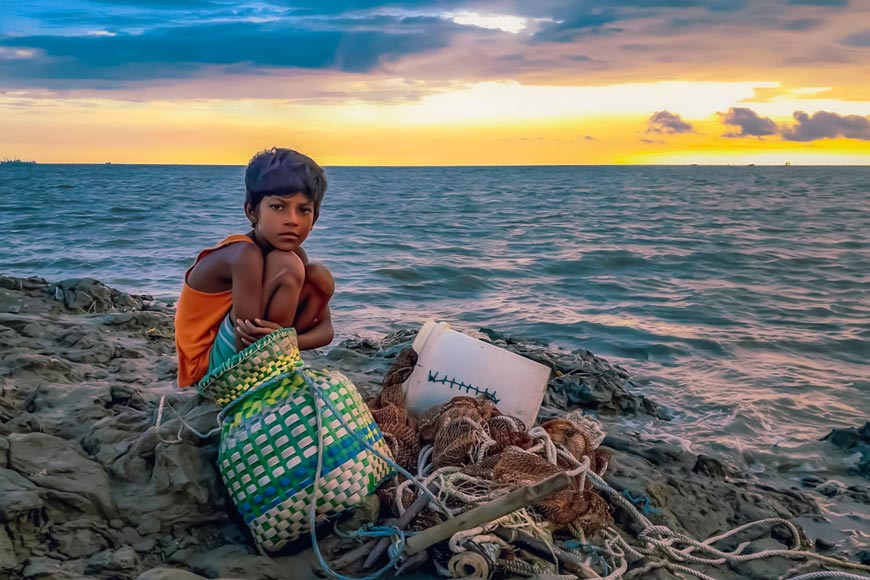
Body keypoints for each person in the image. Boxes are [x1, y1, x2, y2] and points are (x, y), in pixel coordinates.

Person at [175, 147, 335, 388]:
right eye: (278, 207)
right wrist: (278, 344)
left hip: (255, 349)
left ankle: (276, 362)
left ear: (315, 219)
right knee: (288, 265)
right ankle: (271, 375)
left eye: (304, 210)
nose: (292, 219)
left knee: (318, 275)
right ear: (252, 211)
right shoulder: (243, 254)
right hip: (207, 368)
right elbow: (245, 343)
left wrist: (289, 341)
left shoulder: (293, 256)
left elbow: (326, 331)